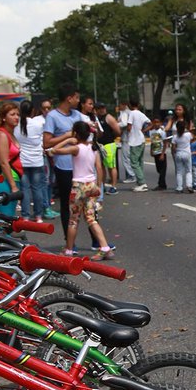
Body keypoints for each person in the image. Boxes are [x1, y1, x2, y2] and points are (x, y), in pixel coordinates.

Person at [53, 121, 114, 260]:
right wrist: (98, 185)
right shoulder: (94, 148)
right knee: (91, 218)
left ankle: (68, 249)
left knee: (73, 220)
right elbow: (99, 168)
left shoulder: (76, 148)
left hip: (78, 187)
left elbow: (55, 150)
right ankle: (105, 247)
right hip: (91, 185)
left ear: (75, 133)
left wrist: (67, 139)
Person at [43, 85, 88, 234]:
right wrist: (67, 136)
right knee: (67, 204)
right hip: (64, 166)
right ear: (69, 98)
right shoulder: (53, 116)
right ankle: (68, 240)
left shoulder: (77, 115)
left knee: (87, 203)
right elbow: (46, 143)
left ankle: (96, 241)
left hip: (81, 166)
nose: (78, 101)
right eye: (76, 98)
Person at [15, 100, 49, 222]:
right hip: (37, 160)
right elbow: (43, 140)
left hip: (22, 160)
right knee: (37, 188)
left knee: (24, 189)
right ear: (32, 111)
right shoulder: (38, 124)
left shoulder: (16, 125)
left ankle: (25, 216)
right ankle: (38, 216)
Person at [122, 99, 150, 191]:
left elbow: (129, 126)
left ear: (129, 105)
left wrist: (129, 132)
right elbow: (150, 123)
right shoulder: (141, 113)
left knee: (134, 162)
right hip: (141, 139)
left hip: (134, 140)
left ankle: (142, 182)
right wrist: (142, 130)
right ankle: (139, 182)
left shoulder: (132, 113)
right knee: (139, 162)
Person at [93, 102, 121, 194]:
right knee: (101, 166)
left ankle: (113, 186)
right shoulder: (96, 118)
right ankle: (102, 184)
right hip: (100, 145)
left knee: (111, 166)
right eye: (99, 108)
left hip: (109, 144)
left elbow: (118, 131)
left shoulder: (108, 117)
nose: (102, 109)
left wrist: (111, 136)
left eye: (103, 107)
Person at [148, 117, 167, 190]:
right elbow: (152, 142)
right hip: (155, 152)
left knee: (162, 170)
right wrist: (151, 151)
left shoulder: (162, 132)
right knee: (158, 169)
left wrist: (162, 154)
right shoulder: (152, 132)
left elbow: (165, 143)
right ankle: (163, 184)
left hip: (161, 153)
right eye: (155, 122)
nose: (156, 124)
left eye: (158, 122)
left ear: (160, 123)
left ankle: (161, 185)